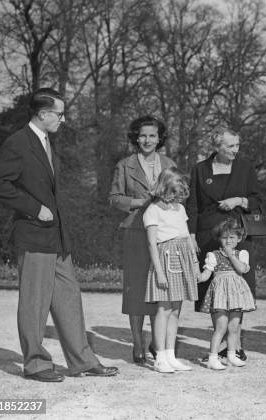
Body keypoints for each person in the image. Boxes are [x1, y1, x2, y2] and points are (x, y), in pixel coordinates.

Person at [0, 87, 118, 382]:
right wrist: (34, 208)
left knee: (69, 296)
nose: (63, 118)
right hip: (34, 233)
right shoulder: (18, 143)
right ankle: (35, 364)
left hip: (56, 236)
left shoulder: (46, 142)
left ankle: (83, 361)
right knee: (35, 301)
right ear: (43, 113)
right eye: (59, 113)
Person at [186, 127, 262, 361]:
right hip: (209, 236)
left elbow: (258, 199)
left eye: (237, 145)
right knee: (215, 289)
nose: (235, 150)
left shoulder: (245, 168)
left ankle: (235, 345)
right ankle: (221, 342)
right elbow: (193, 206)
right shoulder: (199, 170)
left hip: (238, 236)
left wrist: (239, 200)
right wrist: (190, 235)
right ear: (217, 146)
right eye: (230, 146)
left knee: (239, 288)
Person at [109, 116, 176, 364]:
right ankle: (137, 343)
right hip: (135, 232)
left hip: (164, 234)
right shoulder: (125, 165)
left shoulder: (169, 163)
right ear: (136, 138)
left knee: (161, 289)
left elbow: (179, 194)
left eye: (152, 135)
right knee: (136, 289)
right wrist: (139, 202)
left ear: (160, 138)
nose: (147, 140)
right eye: (143, 135)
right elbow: (114, 198)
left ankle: (158, 344)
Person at [143, 167, 200, 373]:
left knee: (176, 309)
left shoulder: (179, 209)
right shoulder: (152, 210)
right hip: (165, 261)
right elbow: (151, 244)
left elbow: (186, 239)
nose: (176, 197)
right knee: (163, 309)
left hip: (182, 258)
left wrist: (194, 265)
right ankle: (159, 357)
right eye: (173, 192)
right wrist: (158, 271)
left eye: (179, 193)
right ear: (164, 188)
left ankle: (170, 354)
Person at [199, 219, 256, 370]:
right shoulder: (213, 255)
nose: (228, 240)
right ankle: (213, 357)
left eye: (232, 237)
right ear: (219, 238)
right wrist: (198, 277)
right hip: (220, 295)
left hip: (236, 295)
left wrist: (231, 255)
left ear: (238, 239)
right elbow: (206, 274)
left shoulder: (242, 254)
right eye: (225, 237)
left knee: (234, 327)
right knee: (221, 327)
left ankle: (231, 355)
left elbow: (242, 270)